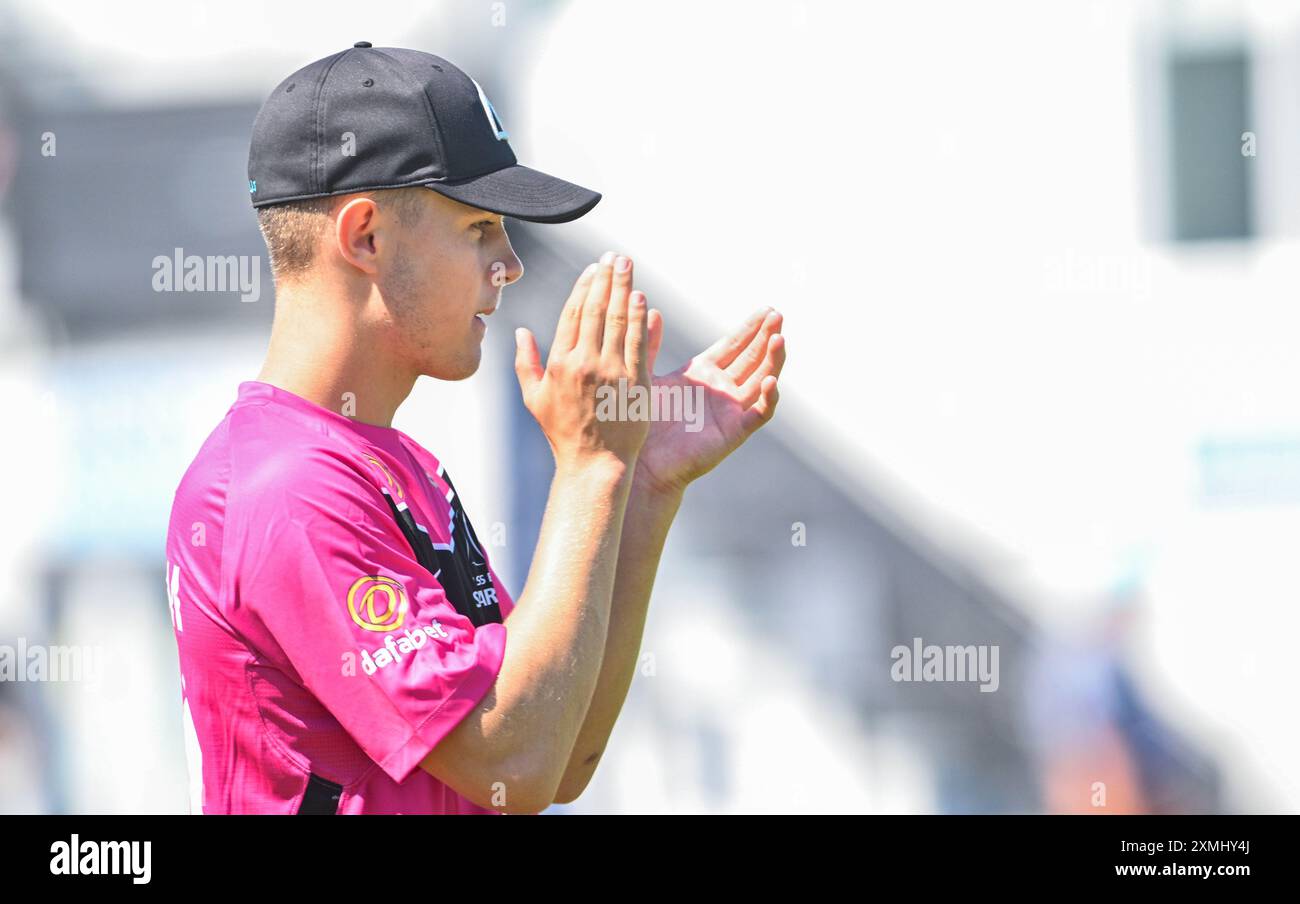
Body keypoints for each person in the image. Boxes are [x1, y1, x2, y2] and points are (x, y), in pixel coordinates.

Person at [164, 43, 785, 814]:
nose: (510, 263)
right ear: (364, 237)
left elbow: (557, 752)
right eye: (479, 227)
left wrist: (640, 481)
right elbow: (515, 756)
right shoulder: (288, 485)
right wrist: (588, 470)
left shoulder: (391, 467)